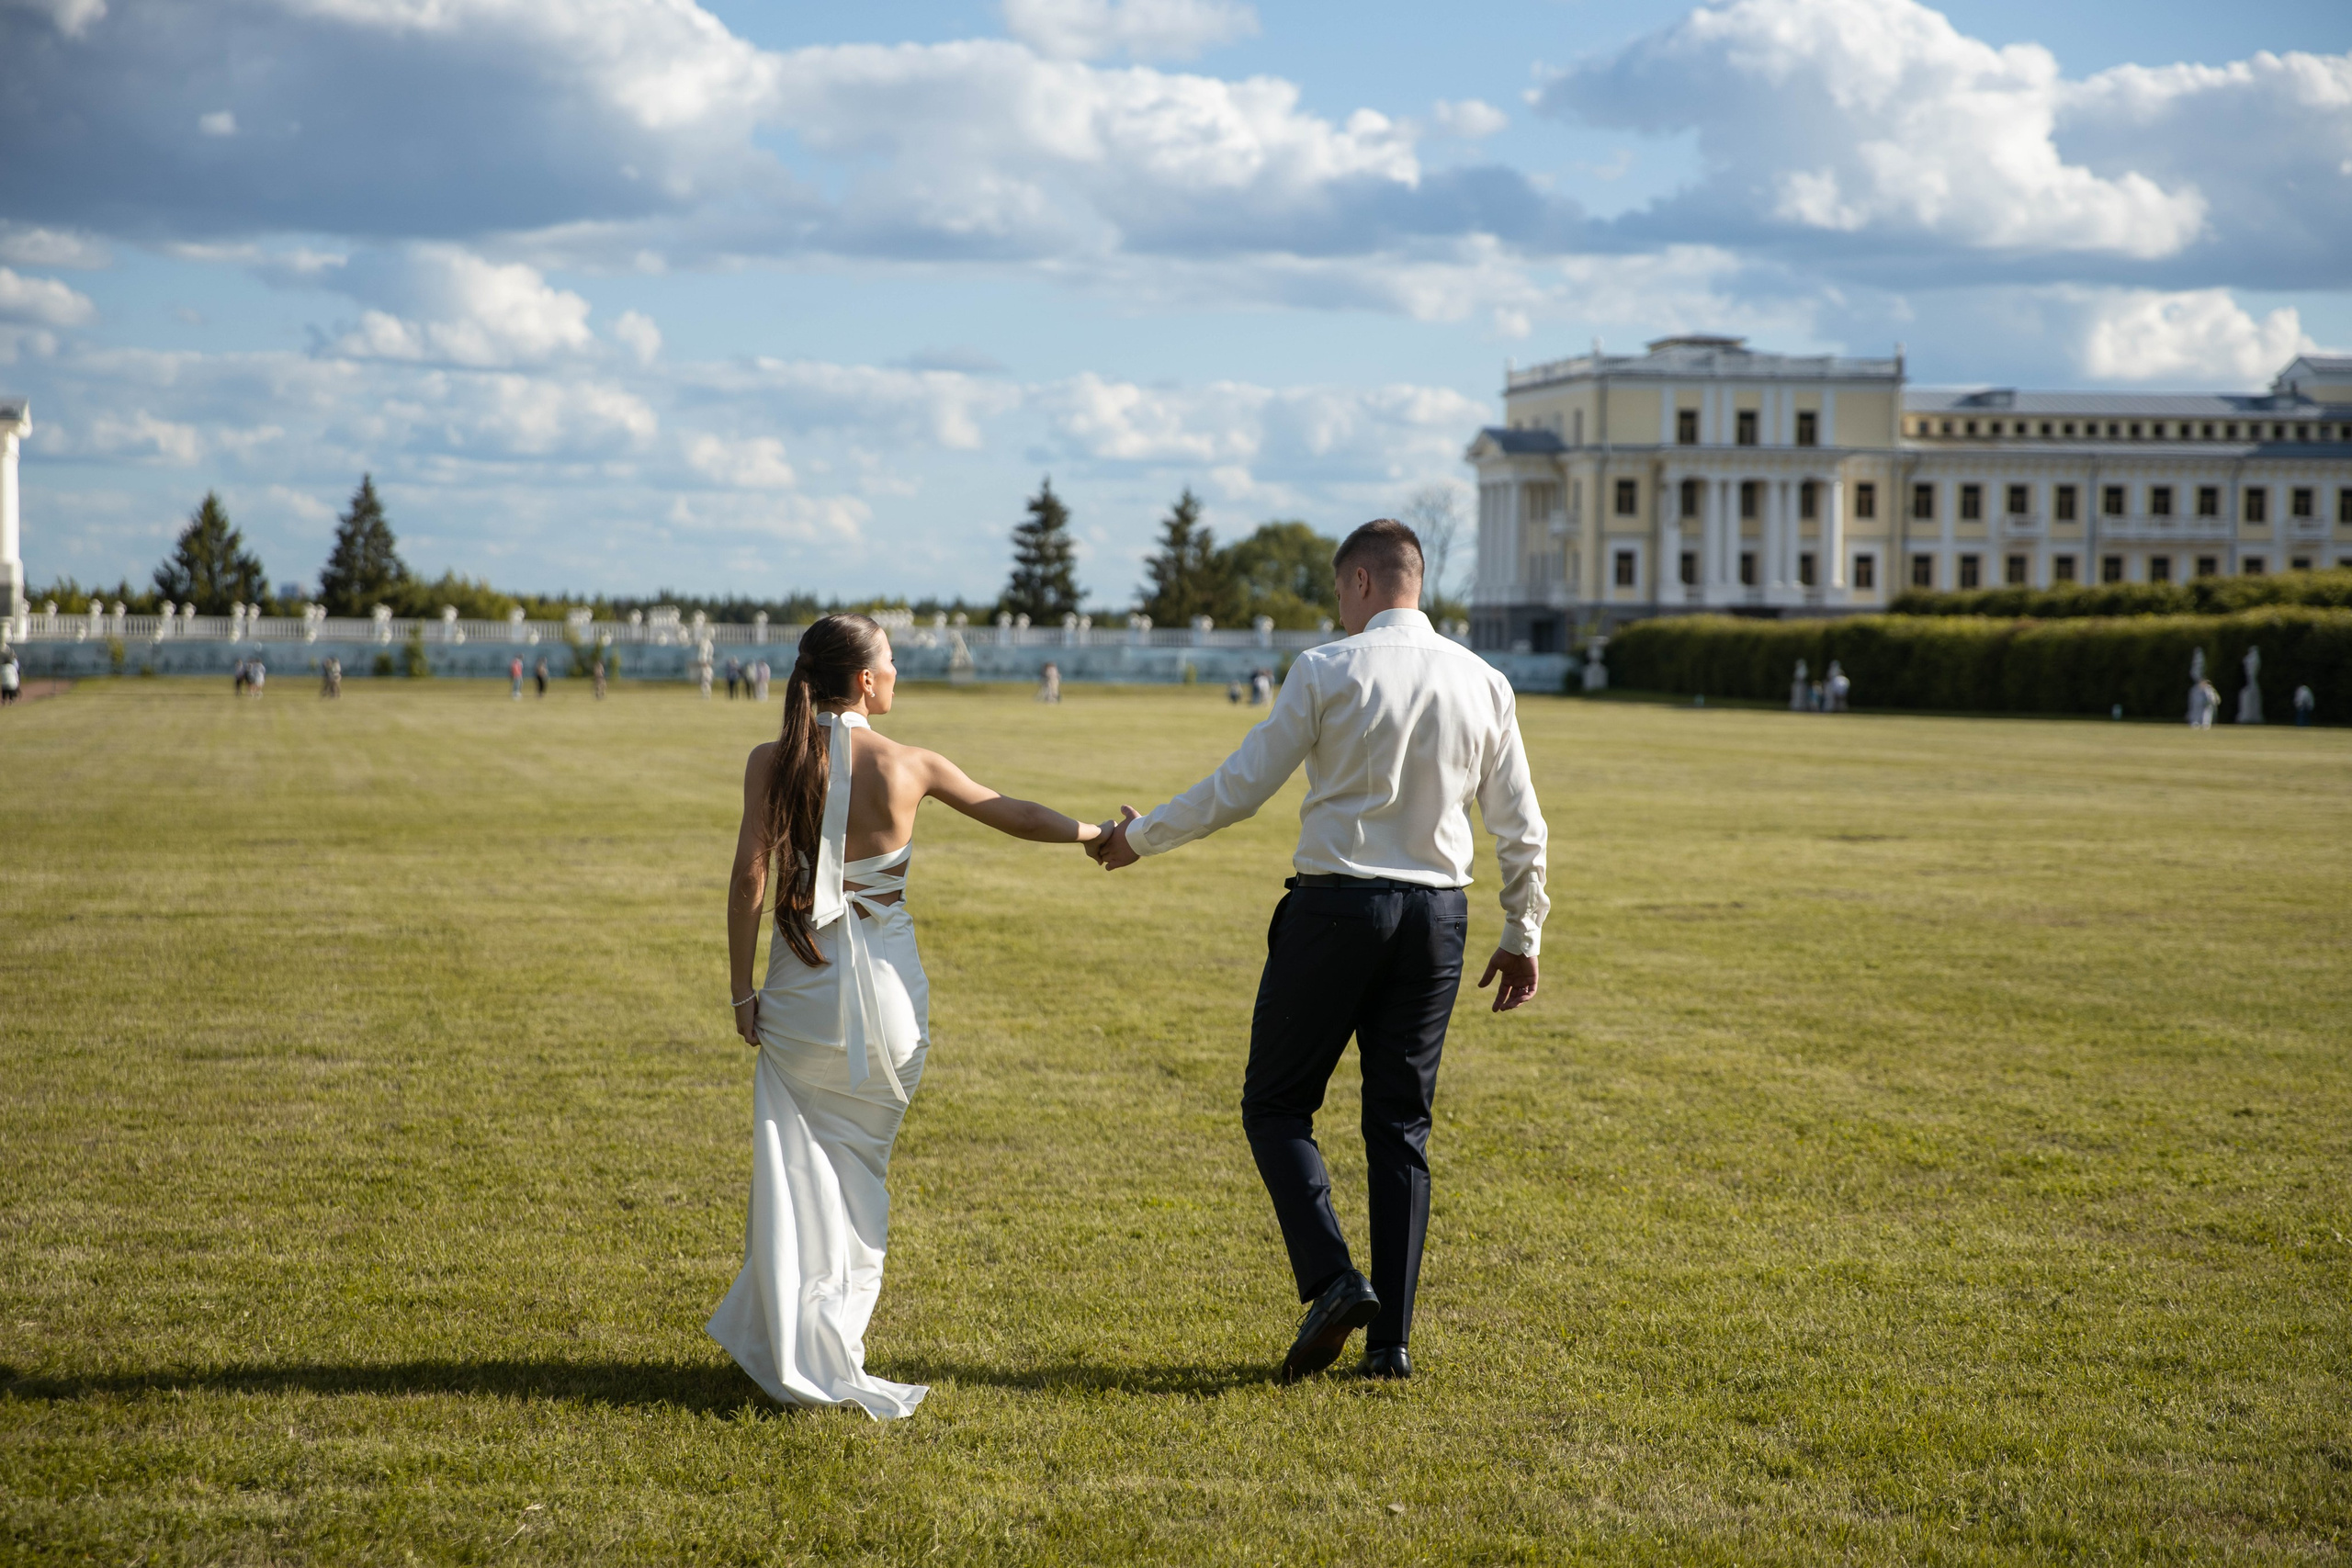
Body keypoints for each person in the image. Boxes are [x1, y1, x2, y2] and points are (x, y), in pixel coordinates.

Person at [1091, 519, 1548, 1384]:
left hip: (1338, 907)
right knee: (1400, 1127)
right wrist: (1521, 933)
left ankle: (1336, 1279)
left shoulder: (1328, 668)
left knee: (1275, 1104)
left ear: (1366, 585)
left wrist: (1139, 838)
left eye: (1342, 591)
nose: (1338, 608)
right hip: (1439, 919)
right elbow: (1521, 827)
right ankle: (1392, 1345)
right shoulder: (1485, 681)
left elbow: (1242, 785)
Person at [709, 614, 1109, 1418]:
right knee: (857, 1171)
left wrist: (740, 989)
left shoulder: (773, 760)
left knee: (795, 1167)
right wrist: (1101, 833)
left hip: (798, 987)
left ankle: (797, 1339)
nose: (897, 674)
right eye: (890, 663)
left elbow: (749, 879)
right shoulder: (909, 763)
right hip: (886, 999)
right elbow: (1016, 812)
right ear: (863, 681)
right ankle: (830, 1339)